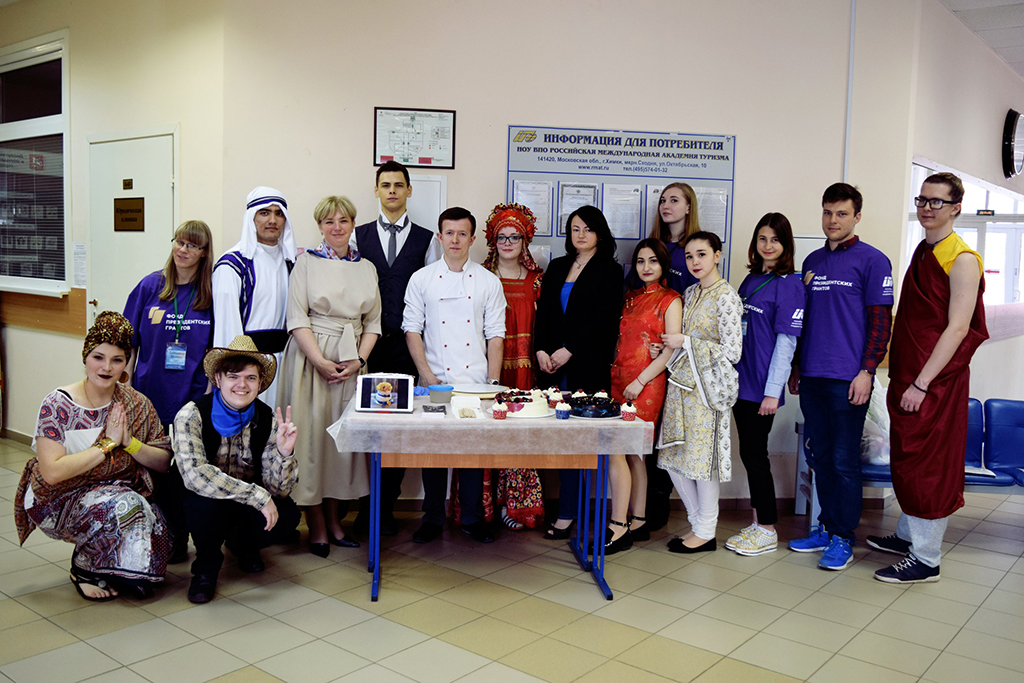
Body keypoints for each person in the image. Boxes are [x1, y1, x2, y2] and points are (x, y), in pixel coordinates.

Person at [871, 173, 988, 583]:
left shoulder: (963, 259)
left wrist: (922, 383)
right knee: (909, 459)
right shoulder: (924, 250)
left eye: (937, 201)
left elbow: (958, 328)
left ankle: (926, 558)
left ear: (956, 208)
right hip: (910, 374)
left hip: (934, 381)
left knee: (929, 464)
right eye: (922, 199)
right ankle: (908, 536)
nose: (926, 207)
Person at [14, 311, 173, 601]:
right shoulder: (58, 404)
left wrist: (129, 442)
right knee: (127, 506)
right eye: (98, 357)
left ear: (126, 364)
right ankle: (84, 567)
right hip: (55, 499)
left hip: (114, 493)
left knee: (159, 528)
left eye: (117, 360)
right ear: (85, 358)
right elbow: (52, 473)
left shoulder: (136, 403)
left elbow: (163, 462)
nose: (106, 367)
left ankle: (115, 569)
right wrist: (106, 444)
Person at [788, 183, 894, 571]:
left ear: (857, 217)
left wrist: (867, 371)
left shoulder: (874, 261)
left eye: (842, 214)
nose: (833, 220)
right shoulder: (812, 261)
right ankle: (826, 527)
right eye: (828, 212)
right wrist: (797, 366)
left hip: (849, 378)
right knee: (820, 456)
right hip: (813, 376)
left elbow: (880, 324)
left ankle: (842, 538)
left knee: (844, 461)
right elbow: (802, 320)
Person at [278, 196, 381, 557]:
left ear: (353, 224)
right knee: (310, 441)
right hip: (310, 361)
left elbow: (373, 322)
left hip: (352, 362)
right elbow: (296, 318)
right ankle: (317, 524)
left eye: (343, 220)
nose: (337, 227)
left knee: (342, 445)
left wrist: (360, 360)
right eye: (329, 222)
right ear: (320, 226)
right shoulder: (305, 263)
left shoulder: (366, 267)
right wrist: (320, 361)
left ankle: (336, 521)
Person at [402, 206, 506, 544]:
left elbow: (495, 334)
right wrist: (425, 374)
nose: (456, 240)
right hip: (434, 381)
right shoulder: (421, 279)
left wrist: (492, 382)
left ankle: (472, 518)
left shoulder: (489, 282)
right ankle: (432, 518)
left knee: (472, 453)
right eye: (450, 233)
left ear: (472, 239)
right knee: (433, 452)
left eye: (463, 234)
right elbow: (412, 329)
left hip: (475, 382)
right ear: (439, 237)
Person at [173, 336, 301, 604]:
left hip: (243, 502)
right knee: (204, 508)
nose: (242, 385)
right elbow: (196, 476)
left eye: (250, 378)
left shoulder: (267, 418)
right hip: (203, 499)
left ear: (260, 383)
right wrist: (257, 496)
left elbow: (279, 490)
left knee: (288, 514)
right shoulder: (191, 414)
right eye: (233, 376)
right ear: (218, 379)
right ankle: (206, 569)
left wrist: (284, 453)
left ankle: (243, 545)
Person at [352, 161, 441, 536]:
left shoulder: (427, 240)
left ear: (408, 191)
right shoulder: (357, 236)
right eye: (385, 185)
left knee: (399, 428)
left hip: (407, 349)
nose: (392, 191)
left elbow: (433, 293)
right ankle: (366, 510)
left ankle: (385, 510)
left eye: (398, 185)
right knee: (367, 427)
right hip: (366, 347)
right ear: (376, 190)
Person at [123, 220, 215, 562]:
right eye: (179, 241)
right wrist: (125, 384)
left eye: (192, 245)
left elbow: (215, 351)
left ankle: (180, 535)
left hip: (190, 399)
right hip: (150, 397)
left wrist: (209, 396)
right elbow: (128, 341)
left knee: (183, 474)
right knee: (152, 472)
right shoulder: (151, 286)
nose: (183, 250)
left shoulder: (210, 294)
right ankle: (159, 538)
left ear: (204, 253)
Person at [534, 205, 623, 540]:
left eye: (587, 228)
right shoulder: (558, 266)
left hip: (586, 367)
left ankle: (573, 513)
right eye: (575, 229)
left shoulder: (610, 270)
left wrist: (569, 350)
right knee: (557, 441)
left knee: (580, 442)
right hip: (552, 367)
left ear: (600, 232)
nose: (581, 235)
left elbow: (604, 321)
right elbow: (544, 314)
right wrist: (541, 350)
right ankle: (567, 508)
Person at [658, 232, 743, 554]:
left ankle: (706, 530)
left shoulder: (726, 297)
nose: (695, 262)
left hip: (708, 392)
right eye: (690, 256)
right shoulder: (691, 292)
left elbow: (733, 352)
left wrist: (686, 342)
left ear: (717, 255)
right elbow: (683, 341)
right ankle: (698, 525)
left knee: (703, 463)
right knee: (673, 458)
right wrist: (669, 347)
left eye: (702, 254)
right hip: (681, 387)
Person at [727, 213, 805, 556]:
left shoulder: (790, 285)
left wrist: (773, 392)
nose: (768, 245)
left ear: (786, 244)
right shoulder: (750, 280)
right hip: (740, 383)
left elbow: (787, 344)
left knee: (756, 455)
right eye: (762, 238)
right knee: (749, 453)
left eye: (775, 239)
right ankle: (758, 522)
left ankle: (768, 529)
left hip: (762, 388)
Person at [606, 239, 682, 553]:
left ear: (663, 264)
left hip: (646, 383)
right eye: (640, 261)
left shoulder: (671, 299)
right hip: (619, 380)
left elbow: (670, 351)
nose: (646, 267)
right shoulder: (630, 297)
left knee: (618, 451)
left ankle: (618, 527)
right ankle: (638, 520)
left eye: (653, 261)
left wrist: (640, 381)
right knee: (634, 454)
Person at [483, 202, 545, 530]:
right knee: (485, 434)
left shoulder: (537, 281)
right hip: (487, 370)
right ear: (493, 241)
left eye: (515, 237)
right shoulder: (480, 277)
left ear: (525, 241)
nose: (508, 243)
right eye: (502, 237)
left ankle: (516, 503)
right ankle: (482, 506)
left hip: (523, 374)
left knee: (518, 435)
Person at [646, 182, 702, 532]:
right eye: (663, 200)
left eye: (674, 200)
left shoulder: (693, 249)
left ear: (688, 206)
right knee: (649, 430)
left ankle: (660, 502)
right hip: (648, 352)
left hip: (680, 353)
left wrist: (676, 344)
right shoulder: (654, 246)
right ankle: (644, 504)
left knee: (670, 432)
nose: (666, 206)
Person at [213, 186, 298, 408]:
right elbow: (227, 328)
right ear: (252, 217)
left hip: (286, 364)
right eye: (264, 213)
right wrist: (238, 375)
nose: (272, 220)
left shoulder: (292, 264)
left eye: (278, 213)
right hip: (247, 369)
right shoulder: (232, 265)